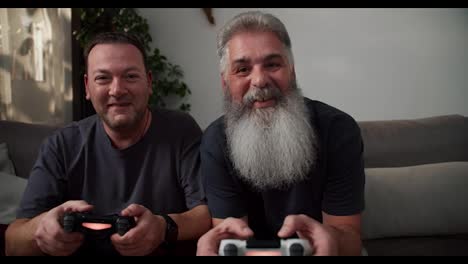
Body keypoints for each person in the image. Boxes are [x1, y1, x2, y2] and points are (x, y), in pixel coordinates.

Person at [5, 32, 211, 256]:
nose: (117, 90)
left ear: (149, 82)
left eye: (130, 76)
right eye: (103, 78)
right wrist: (41, 228)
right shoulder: (61, 145)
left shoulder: (181, 130)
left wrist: (163, 227)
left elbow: (206, 215)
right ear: (87, 86)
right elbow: (13, 243)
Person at [196, 11, 365, 256]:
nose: (260, 80)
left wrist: (329, 239)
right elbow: (229, 236)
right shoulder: (214, 141)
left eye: (272, 64)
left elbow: (350, 239)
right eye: (243, 69)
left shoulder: (339, 130)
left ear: (292, 71)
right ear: (225, 83)